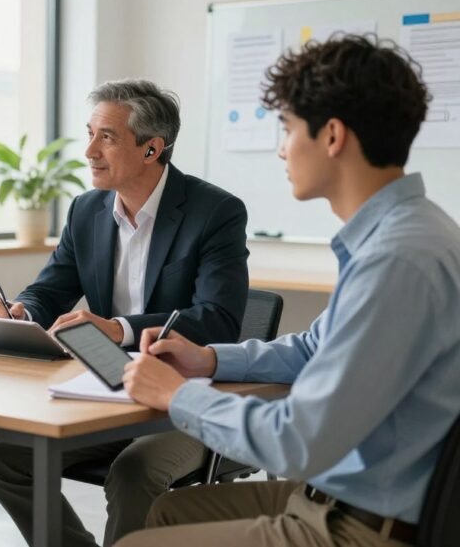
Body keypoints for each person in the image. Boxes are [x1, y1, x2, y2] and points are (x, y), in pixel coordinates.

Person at [118, 35, 460, 547]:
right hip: (342, 496)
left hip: (364, 524)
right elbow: (312, 347)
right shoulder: (406, 232)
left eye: (288, 128)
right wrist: (208, 360)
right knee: (167, 514)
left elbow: (299, 441)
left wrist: (177, 395)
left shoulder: (396, 259)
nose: (281, 148)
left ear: (333, 136)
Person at [0, 78, 250, 545]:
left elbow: (217, 319)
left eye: (106, 137)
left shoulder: (215, 212)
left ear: (152, 149)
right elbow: (52, 289)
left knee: (132, 472)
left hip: (184, 398)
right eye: (89, 133)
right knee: (4, 459)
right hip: (107, 391)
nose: (88, 151)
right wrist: (22, 311)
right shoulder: (86, 210)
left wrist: (119, 328)